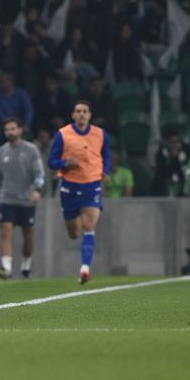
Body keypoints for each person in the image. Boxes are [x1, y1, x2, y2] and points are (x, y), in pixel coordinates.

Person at [48, 100, 111, 284]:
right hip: (69, 187)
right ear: (73, 115)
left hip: (91, 186)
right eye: (78, 111)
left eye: (85, 111)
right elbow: (51, 161)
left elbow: (106, 154)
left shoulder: (100, 134)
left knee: (88, 226)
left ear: (90, 115)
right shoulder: (63, 134)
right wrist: (64, 163)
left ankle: (85, 269)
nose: (81, 114)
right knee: (74, 233)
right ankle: (84, 262)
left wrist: (105, 171)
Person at [0, 117, 45, 279]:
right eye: (7, 130)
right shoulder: (0, 152)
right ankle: (6, 268)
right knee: (5, 230)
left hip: (27, 199)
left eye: (13, 129)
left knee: (28, 233)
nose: (10, 132)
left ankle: (26, 264)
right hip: (7, 199)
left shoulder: (31, 150)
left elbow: (39, 173)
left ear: (20, 130)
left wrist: (37, 190)